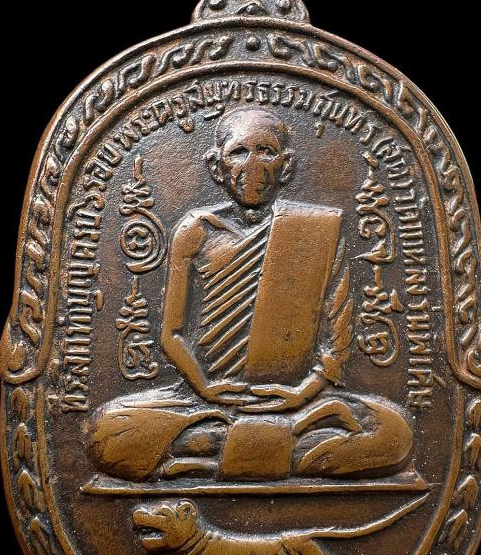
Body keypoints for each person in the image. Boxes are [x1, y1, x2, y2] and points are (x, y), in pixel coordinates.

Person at [87, 107, 412, 481]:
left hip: (299, 402)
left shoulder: (317, 229)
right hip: (206, 399)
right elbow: (171, 335)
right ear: (217, 166)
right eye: (239, 152)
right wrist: (206, 389)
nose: (252, 166)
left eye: (266, 152)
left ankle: (210, 451)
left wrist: (303, 394)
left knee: (395, 434)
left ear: (286, 166)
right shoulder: (197, 229)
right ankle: (272, 446)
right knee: (105, 433)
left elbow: (337, 340)